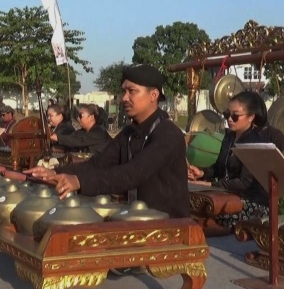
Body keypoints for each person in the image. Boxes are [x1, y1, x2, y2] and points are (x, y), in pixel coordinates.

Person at [25, 64, 189, 218]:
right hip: (136, 219)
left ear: (154, 95)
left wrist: (80, 181)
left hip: (169, 224)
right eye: (123, 91)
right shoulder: (129, 133)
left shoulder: (168, 134)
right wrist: (57, 172)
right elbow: (98, 163)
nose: (124, 98)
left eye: (132, 91)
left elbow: (131, 174)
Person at [188, 91, 271, 228]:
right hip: (228, 194)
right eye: (227, 114)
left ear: (251, 117)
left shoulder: (254, 142)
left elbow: (244, 183)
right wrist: (202, 173)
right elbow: (219, 168)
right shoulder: (229, 137)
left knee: (212, 215)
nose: (230, 119)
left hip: (251, 202)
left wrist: (210, 185)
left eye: (235, 116)